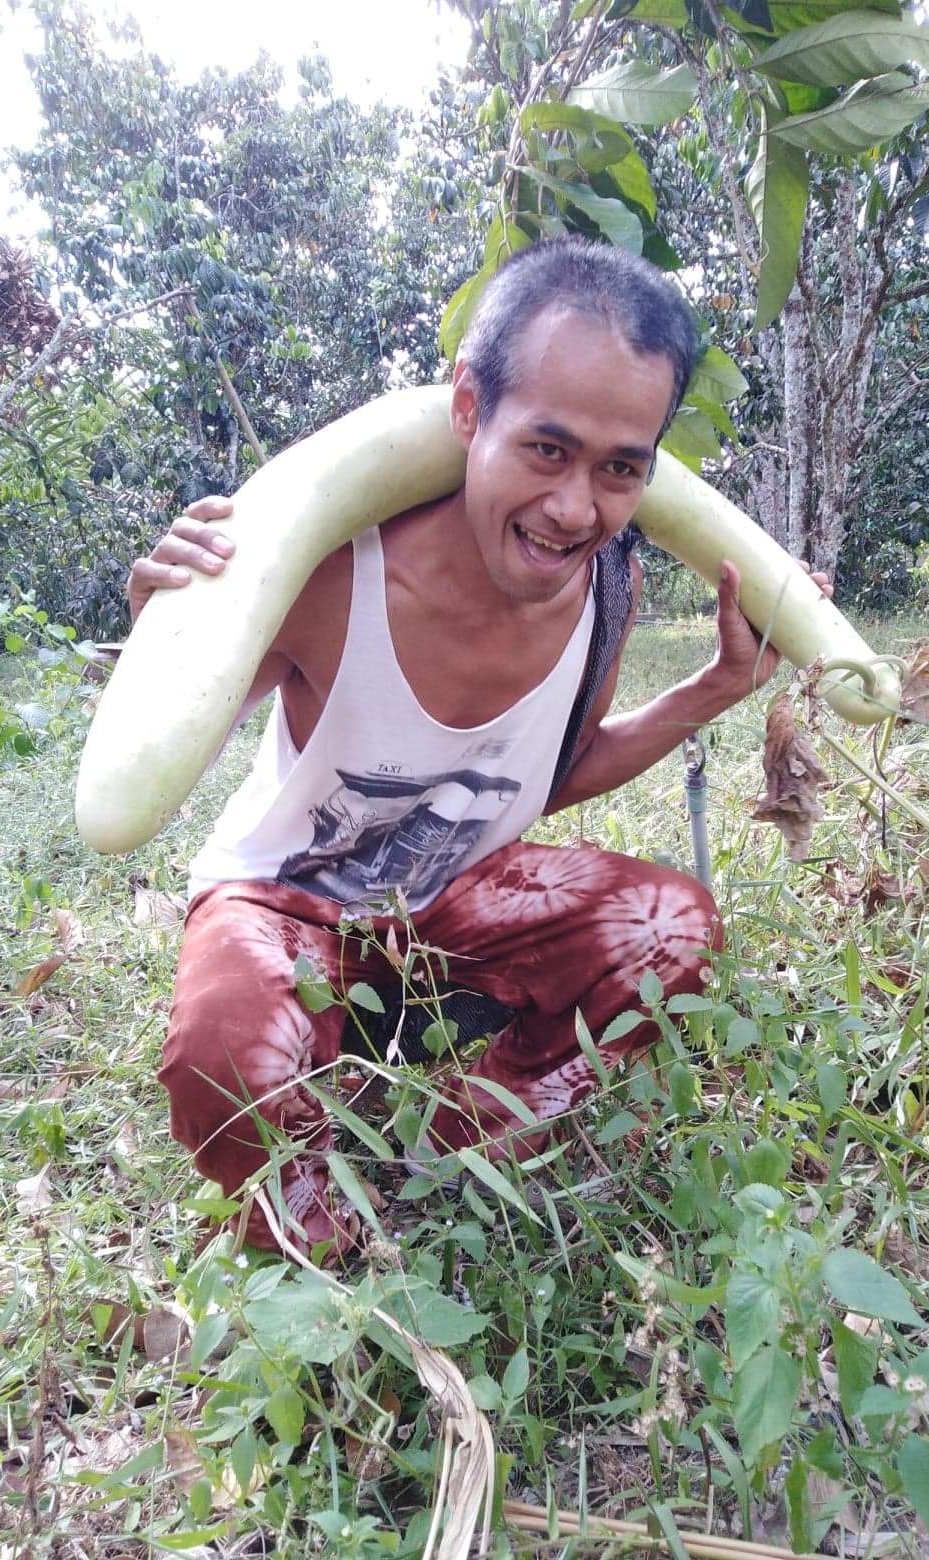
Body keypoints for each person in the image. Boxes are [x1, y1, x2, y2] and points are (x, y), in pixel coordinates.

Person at [128, 238, 832, 1260]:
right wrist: (165, 622)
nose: (575, 508)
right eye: (547, 449)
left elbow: (548, 778)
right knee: (224, 1050)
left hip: (449, 918)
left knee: (674, 930)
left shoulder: (608, 588)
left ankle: (462, 1139)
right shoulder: (331, 576)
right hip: (284, 907)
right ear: (469, 408)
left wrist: (719, 686)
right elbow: (173, 724)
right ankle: (306, 1225)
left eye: (620, 468)